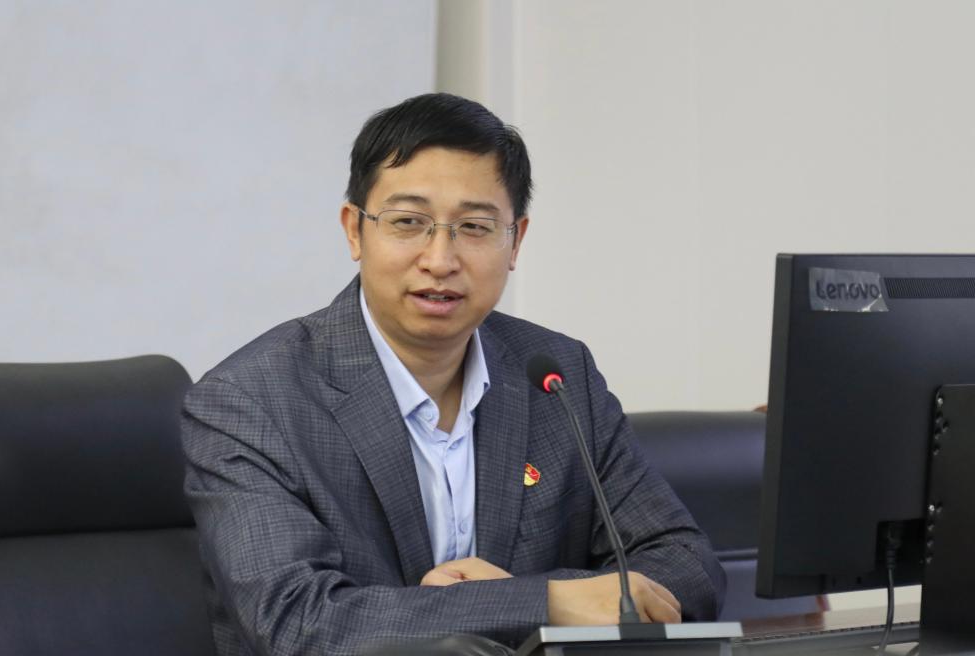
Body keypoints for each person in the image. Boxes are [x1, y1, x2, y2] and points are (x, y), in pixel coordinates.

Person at [181, 93, 725, 656]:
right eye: (408, 222)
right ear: (354, 231)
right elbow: (297, 621)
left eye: (474, 226)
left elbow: (687, 566)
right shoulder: (249, 402)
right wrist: (542, 601)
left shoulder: (558, 376)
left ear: (515, 241)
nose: (440, 259)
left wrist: (531, 598)